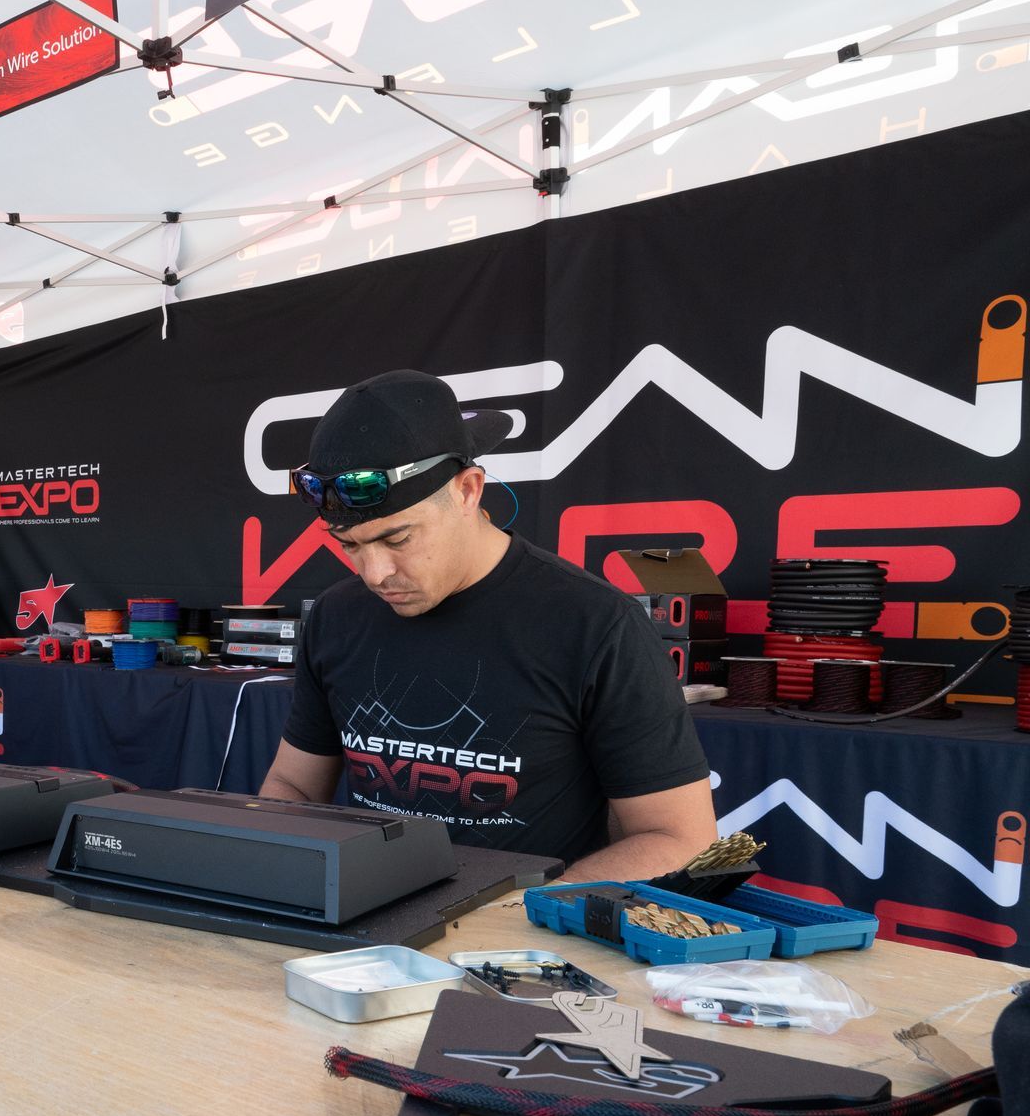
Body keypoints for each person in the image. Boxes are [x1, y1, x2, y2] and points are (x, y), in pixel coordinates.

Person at [259, 370, 717, 880]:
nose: (375, 574)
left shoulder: (595, 625)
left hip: (526, 925)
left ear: (467, 490)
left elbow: (680, 839)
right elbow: (295, 786)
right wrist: (273, 871)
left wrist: (521, 911)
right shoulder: (336, 617)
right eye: (349, 545)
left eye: (397, 539)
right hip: (367, 912)